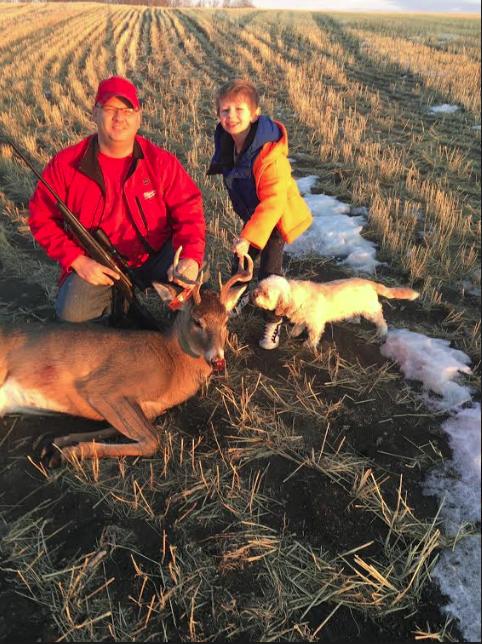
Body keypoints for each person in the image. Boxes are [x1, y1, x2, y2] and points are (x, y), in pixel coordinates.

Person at [29, 76, 205, 324]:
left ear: (138, 117)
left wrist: (190, 257)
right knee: (73, 314)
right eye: (110, 109)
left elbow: (189, 211)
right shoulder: (66, 164)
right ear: (95, 113)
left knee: (198, 298)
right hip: (99, 264)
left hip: (155, 257)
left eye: (127, 110)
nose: (119, 117)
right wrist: (77, 260)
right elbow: (41, 218)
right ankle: (114, 310)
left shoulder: (161, 162)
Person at [207, 79, 313, 350]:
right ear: (217, 114)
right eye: (225, 110)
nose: (231, 116)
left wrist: (248, 237)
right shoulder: (229, 143)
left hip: (275, 220)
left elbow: (273, 203)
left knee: (270, 276)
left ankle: (273, 324)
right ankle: (234, 301)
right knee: (240, 265)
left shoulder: (270, 156)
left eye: (239, 110)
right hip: (254, 216)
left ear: (254, 114)